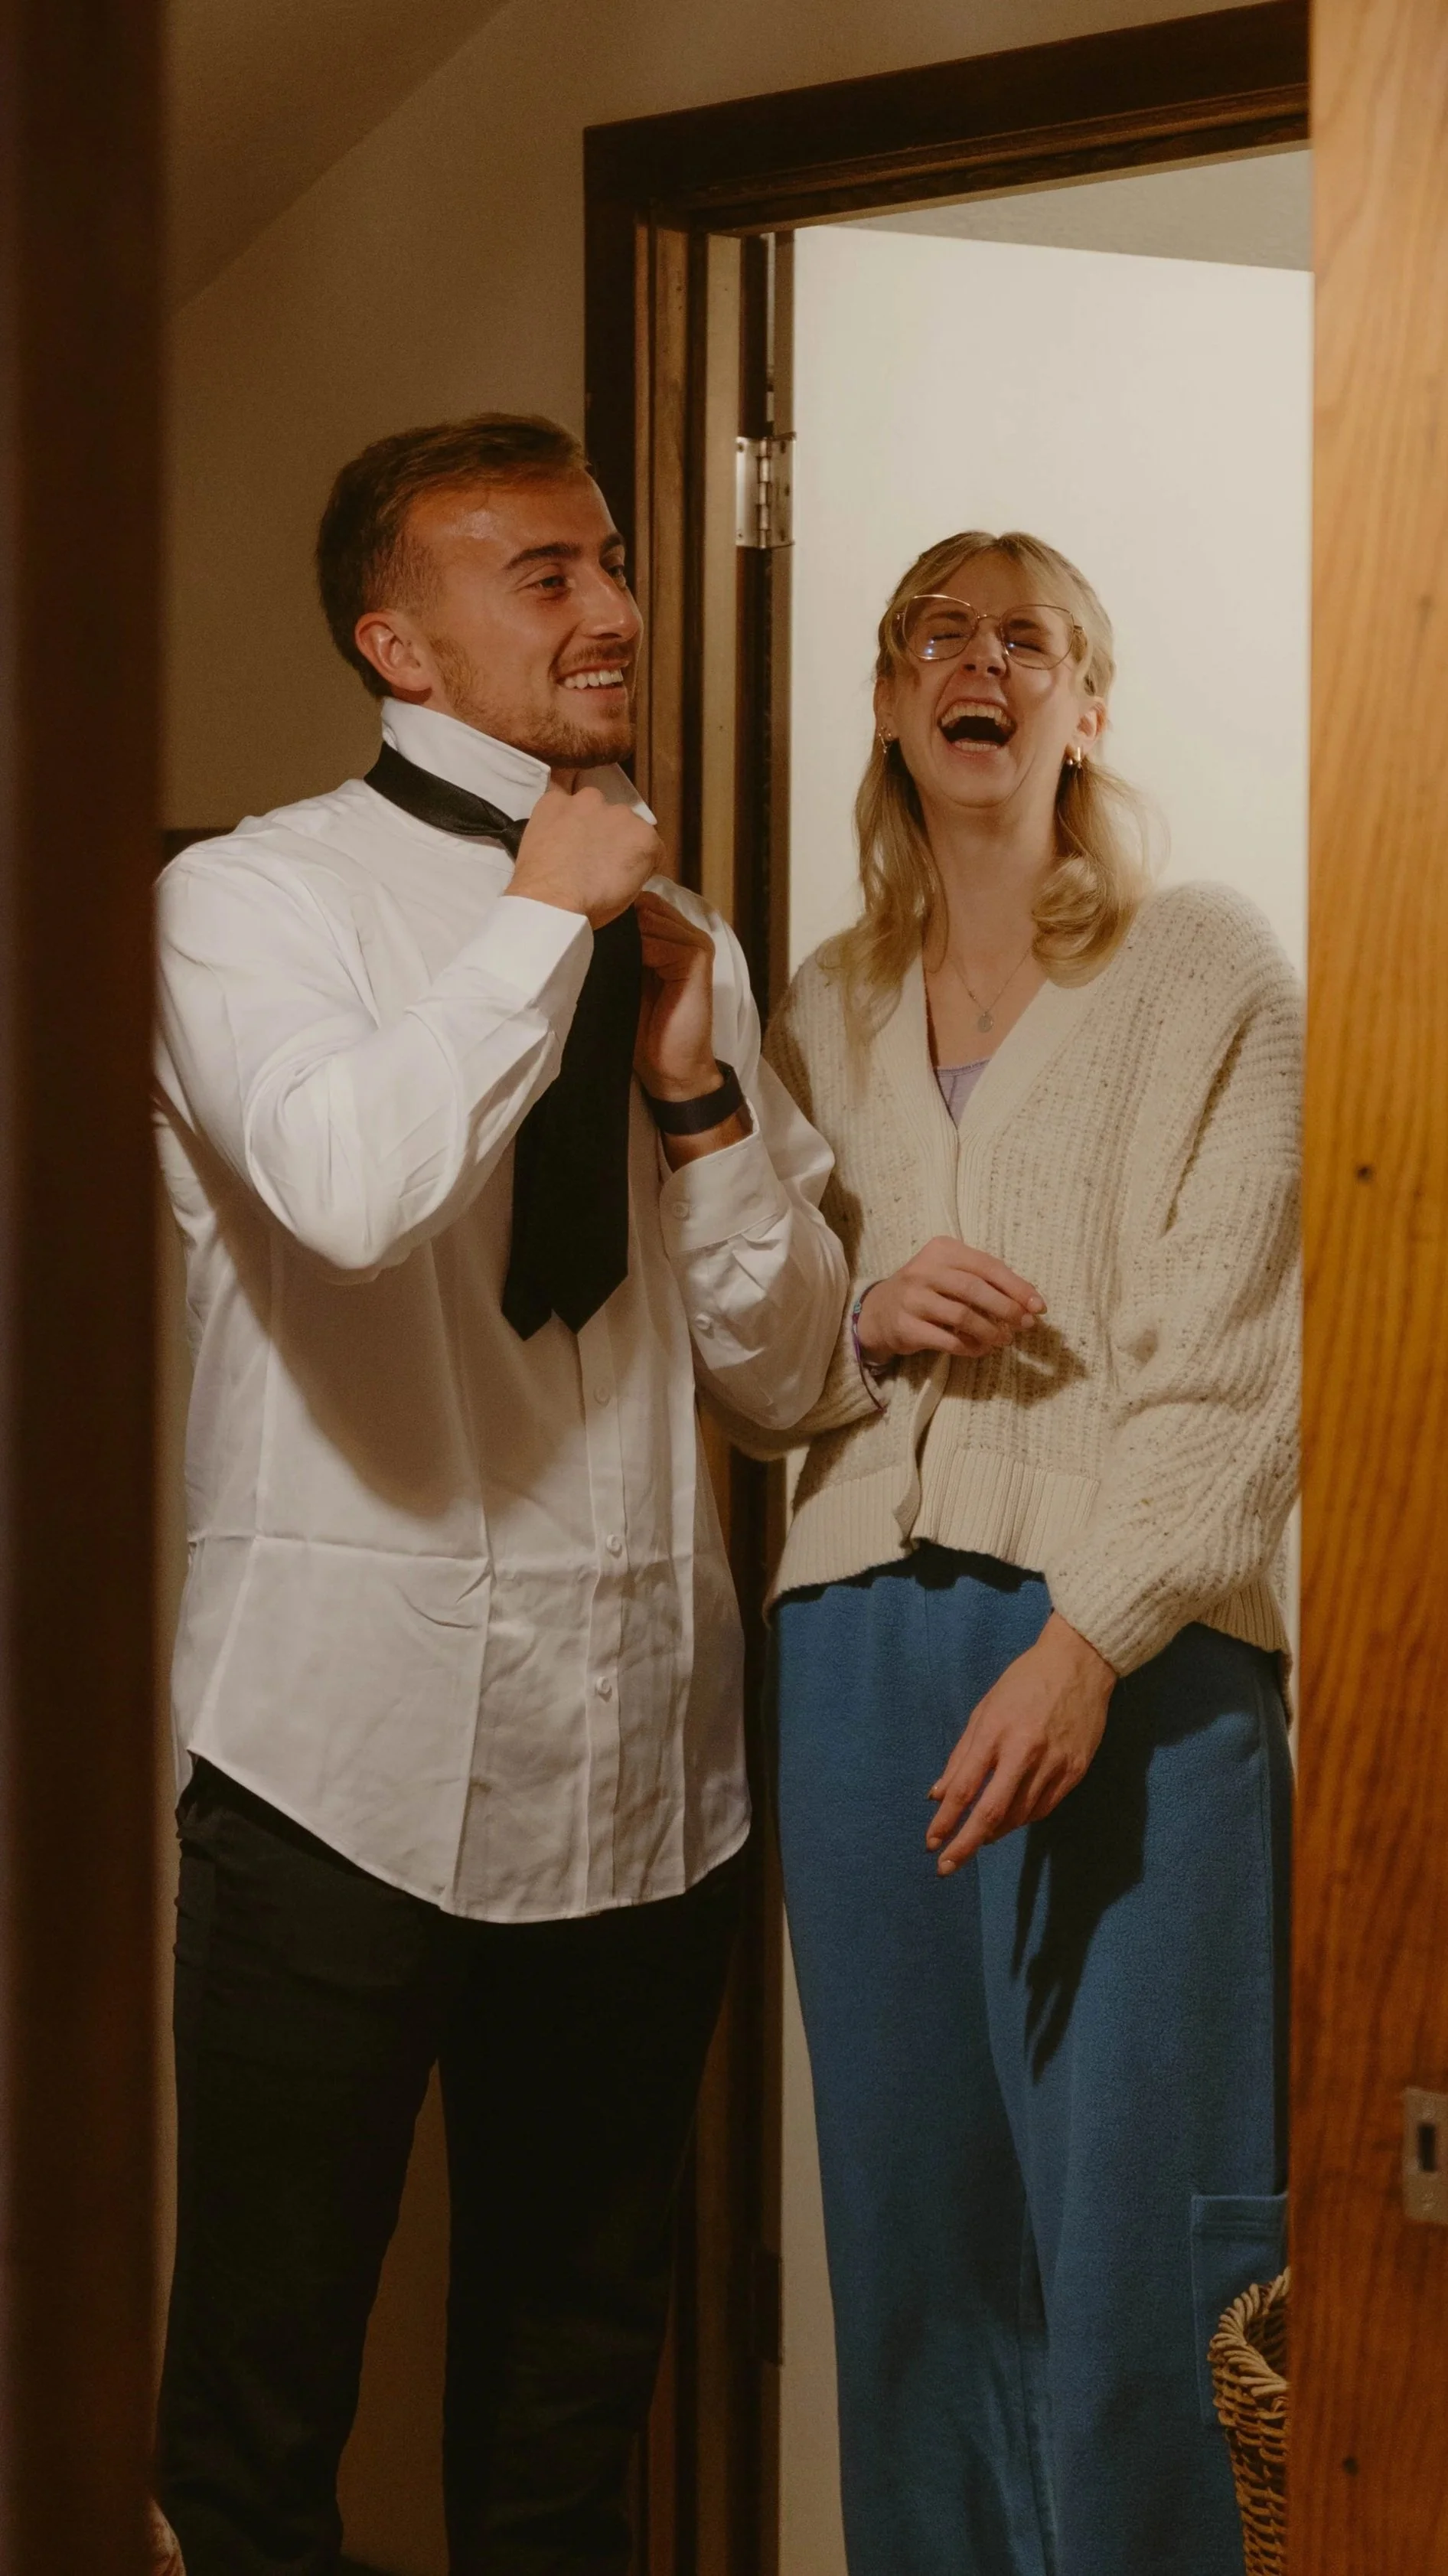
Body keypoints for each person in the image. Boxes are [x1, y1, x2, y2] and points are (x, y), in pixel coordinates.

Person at [152, 410, 846, 2575]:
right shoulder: (245, 898)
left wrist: (700, 1097)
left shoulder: (685, 942)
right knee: (258, 2414)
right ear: (400, 641)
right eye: (545, 574)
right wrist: (542, 922)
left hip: (637, 1786)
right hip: (332, 1774)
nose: (615, 607)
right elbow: (352, 1187)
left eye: (611, 560)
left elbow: (788, 1375)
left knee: (568, 2430)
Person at [758, 531, 1299, 2576]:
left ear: (1087, 707)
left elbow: (1242, 1365)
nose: (975, 663)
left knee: (1152, 2245)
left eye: (1025, 637)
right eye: (935, 633)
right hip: (854, 1653)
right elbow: (748, 1351)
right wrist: (860, 1312)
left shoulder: (1205, 968)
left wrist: (1089, 1640)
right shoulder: (819, 1003)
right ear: (891, 698)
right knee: (911, 2244)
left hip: (1129, 1660)